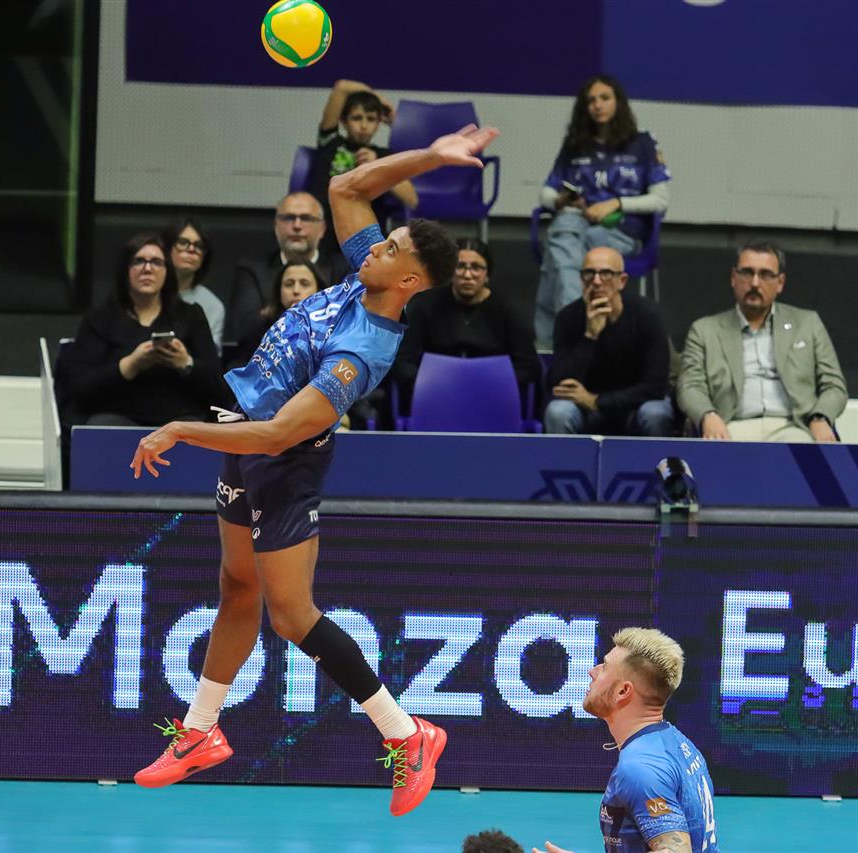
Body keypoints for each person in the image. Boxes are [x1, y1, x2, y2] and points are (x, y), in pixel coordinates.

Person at [129, 125, 500, 817]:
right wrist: (432, 156)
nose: (375, 246)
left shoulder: (361, 352)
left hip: (282, 462)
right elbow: (346, 186)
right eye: (383, 241)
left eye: (391, 248)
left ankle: (407, 733)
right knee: (236, 586)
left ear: (409, 280)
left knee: (292, 615)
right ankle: (201, 730)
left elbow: (279, 436)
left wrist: (179, 428)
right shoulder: (367, 273)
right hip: (243, 434)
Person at [534, 628, 719, 853]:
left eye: (605, 666)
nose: (593, 671)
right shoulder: (677, 742)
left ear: (623, 691)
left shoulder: (640, 767)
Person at [534, 75, 671, 348]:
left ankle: (556, 342)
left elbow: (660, 200)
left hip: (621, 230)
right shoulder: (575, 144)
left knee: (559, 254)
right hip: (577, 222)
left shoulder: (643, 143)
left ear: (618, 102)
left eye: (605, 98)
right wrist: (562, 200)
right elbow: (545, 195)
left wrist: (616, 203)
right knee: (566, 234)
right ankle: (578, 336)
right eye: (591, 100)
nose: (598, 105)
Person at [677, 240, 846, 443]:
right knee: (720, 451)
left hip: (793, 426)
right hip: (730, 426)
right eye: (747, 273)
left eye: (765, 274)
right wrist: (707, 415)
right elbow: (689, 386)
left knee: (805, 451)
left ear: (780, 282)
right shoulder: (704, 330)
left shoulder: (807, 324)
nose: (755, 283)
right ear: (733, 277)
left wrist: (820, 417)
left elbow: (834, 384)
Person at [64, 232, 223, 427]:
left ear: (167, 271)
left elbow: (219, 389)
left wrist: (186, 363)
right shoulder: (100, 319)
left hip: (179, 420)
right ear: (126, 270)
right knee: (100, 428)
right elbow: (79, 391)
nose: (147, 269)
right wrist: (129, 366)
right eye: (138, 261)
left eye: (156, 262)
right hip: (116, 418)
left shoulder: (191, 316)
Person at [543, 247, 674, 437]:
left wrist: (597, 401)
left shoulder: (647, 315)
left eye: (605, 274)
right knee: (558, 412)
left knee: (655, 413)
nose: (596, 281)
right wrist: (590, 336)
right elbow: (560, 384)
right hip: (585, 410)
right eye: (589, 273)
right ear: (581, 279)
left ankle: (657, 458)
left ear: (622, 281)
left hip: (636, 405)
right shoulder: (568, 317)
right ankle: (564, 459)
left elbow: (656, 386)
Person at [393, 238, 540, 404]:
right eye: (460, 266)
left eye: (476, 267)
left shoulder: (507, 311)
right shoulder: (425, 306)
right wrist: (428, 381)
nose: (467, 275)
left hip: (490, 396)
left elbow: (529, 367)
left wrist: (490, 382)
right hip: (435, 394)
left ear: (487, 275)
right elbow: (401, 362)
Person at [226, 192, 352, 348]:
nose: (297, 226)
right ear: (276, 226)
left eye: (306, 218)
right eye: (288, 218)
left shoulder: (342, 268)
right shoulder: (252, 270)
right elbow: (243, 329)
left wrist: (272, 312)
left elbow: (348, 327)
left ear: (322, 229)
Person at [309, 79, 418, 225]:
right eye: (357, 118)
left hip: (366, 229)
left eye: (371, 119)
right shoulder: (329, 142)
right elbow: (342, 87)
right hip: (325, 225)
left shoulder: (383, 156)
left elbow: (411, 199)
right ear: (344, 121)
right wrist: (379, 99)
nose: (364, 125)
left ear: (379, 122)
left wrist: (377, 166)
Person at [230, 257, 326, 367]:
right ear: (279, 292)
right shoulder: (261, 332)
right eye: (289, 284)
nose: (296, 290)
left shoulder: (333, 330)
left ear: (319, 291)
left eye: (304, 284)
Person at [165, 218, 225, 349]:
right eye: (183, 242)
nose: (191, 249)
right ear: (167, 248)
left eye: (198, 245)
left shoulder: (213, 305)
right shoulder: (148, 294)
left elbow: (210, 356)